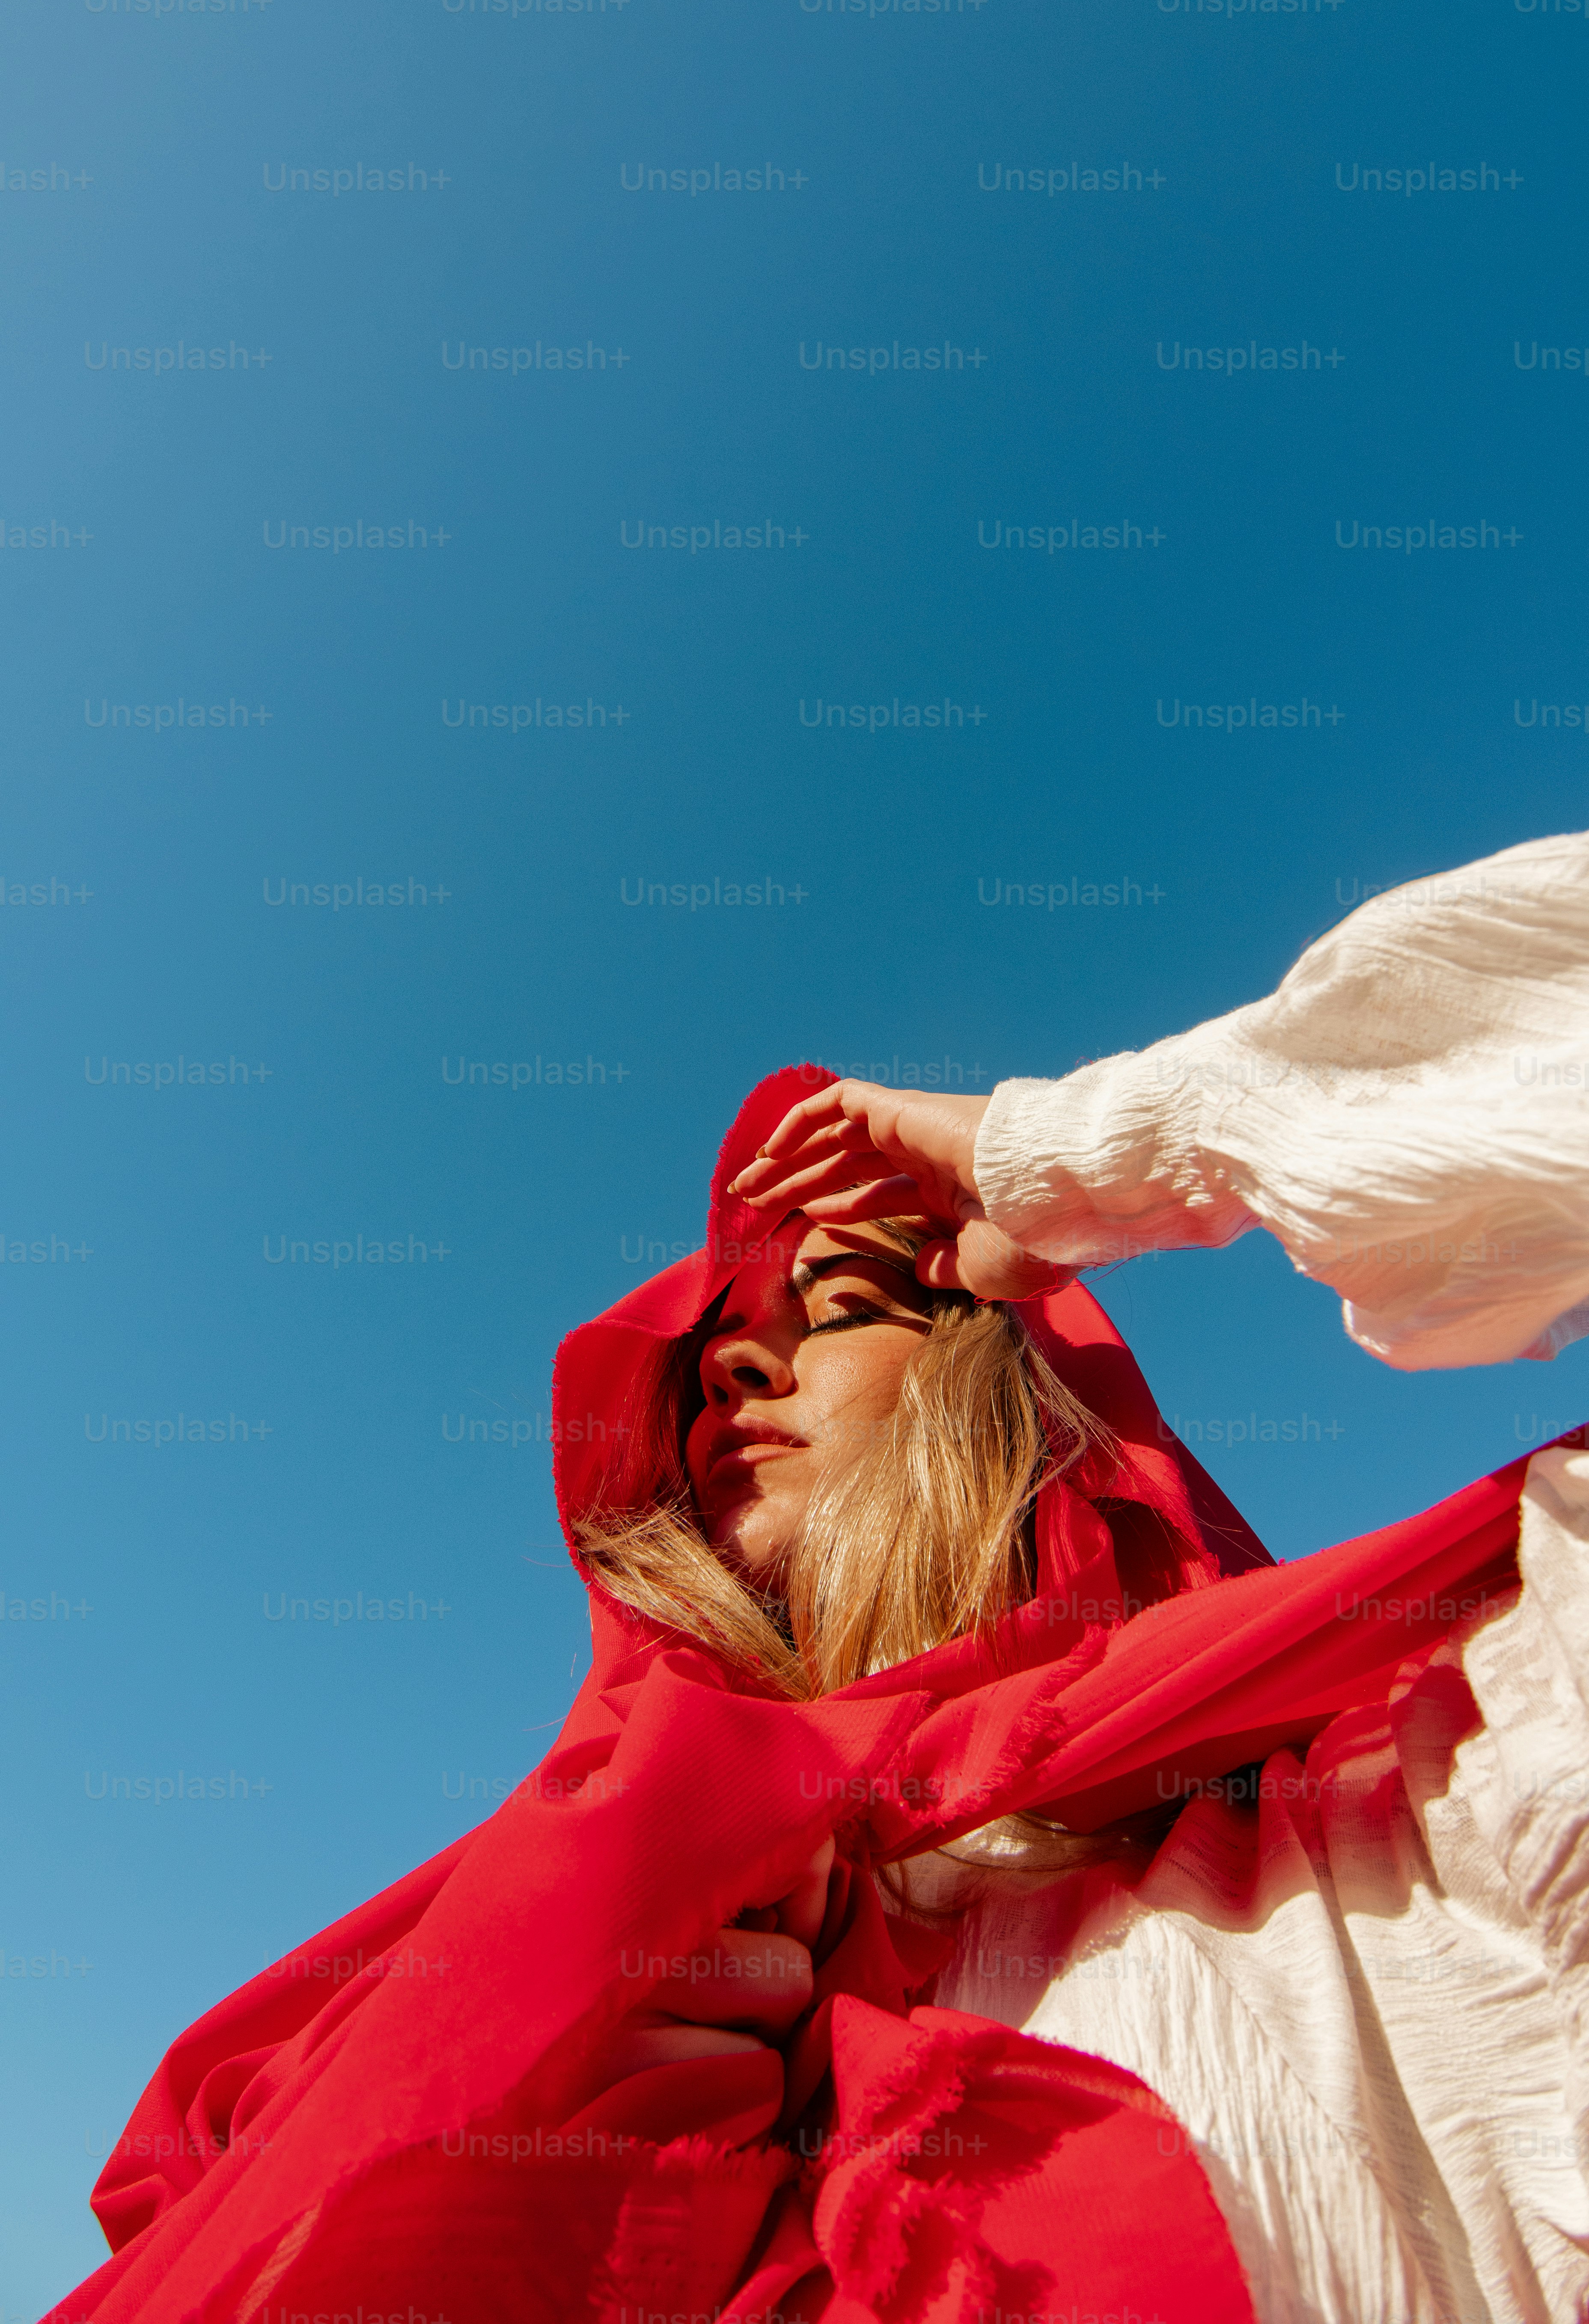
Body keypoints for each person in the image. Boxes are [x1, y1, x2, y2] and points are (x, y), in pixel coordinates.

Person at [54, 832, 1589, 2324]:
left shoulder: (1412, 1806)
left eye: (843, 1302)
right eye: (711, 1362)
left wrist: (1071, 1155)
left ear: (1024, 1409)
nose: (732, 1362)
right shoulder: (436, 1983)